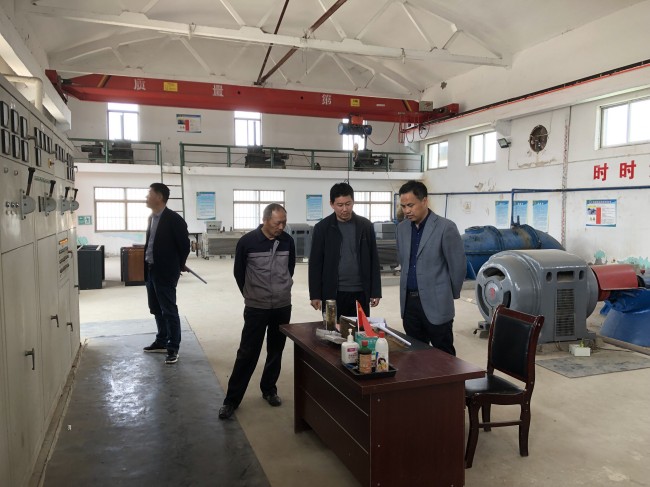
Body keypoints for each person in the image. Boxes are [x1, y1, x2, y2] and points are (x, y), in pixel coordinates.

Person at [219, 204, 295, 419]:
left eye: (284, 222)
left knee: (276, 350)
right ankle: (231, 400)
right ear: (265, 220)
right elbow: (239, 273)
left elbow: (290, 269)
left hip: (282, 305)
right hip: (256, 307)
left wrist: (281, 289)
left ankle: (269, 389)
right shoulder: (248, 242)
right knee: (247, 352)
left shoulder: (287, 241)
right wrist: (251, 294)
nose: (281, 227)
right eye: (277, 223)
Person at [396, 180, 466, 356]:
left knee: (444, 356)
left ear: (424, 201)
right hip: (409, 304)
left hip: (437, 302)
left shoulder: (445, 227)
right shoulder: (402, 229)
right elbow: (403, 260)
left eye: (410, 205)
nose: (407, 211)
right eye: (403, 206)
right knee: (415, 355)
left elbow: (457, 266)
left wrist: (448, 294)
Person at [308, 182, 381, 320]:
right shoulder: (322, 228)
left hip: (360, 292)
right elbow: (315, 263)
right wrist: (315, 294)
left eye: (348, 204)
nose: (345, 209)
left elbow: (374, 260)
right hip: (333, 294)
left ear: (353, 202)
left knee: (360, 330)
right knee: (333, 331)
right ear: (332, 204)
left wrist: (375, 291)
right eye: (340, 205)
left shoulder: (365, 226)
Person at [142, 182, 190, 365]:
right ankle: (161, 340)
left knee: (169, 310)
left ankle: (173, 347)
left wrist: (179, 264)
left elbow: (184, 245)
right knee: (156, 308)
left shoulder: (174, 219)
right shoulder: (151, 217)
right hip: (151, 269)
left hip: (166, 271)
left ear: (159, 197)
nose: (146, 197)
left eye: (149, 193)